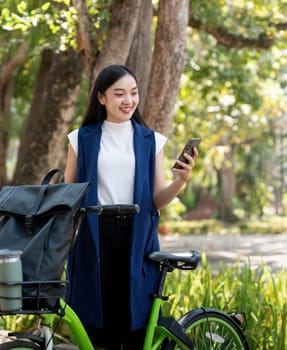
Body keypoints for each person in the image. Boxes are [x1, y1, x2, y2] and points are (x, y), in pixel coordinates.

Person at [64, 64, 197, 349]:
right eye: (119, 94)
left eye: (134, 93)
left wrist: (180, 181)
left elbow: (158, 199)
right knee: (99, 324)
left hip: (137, 237)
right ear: (101, 98)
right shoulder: (81, 138)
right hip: (94, 236)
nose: (128, 101)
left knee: (135, 321)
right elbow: (68, 194)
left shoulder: (151, 140)